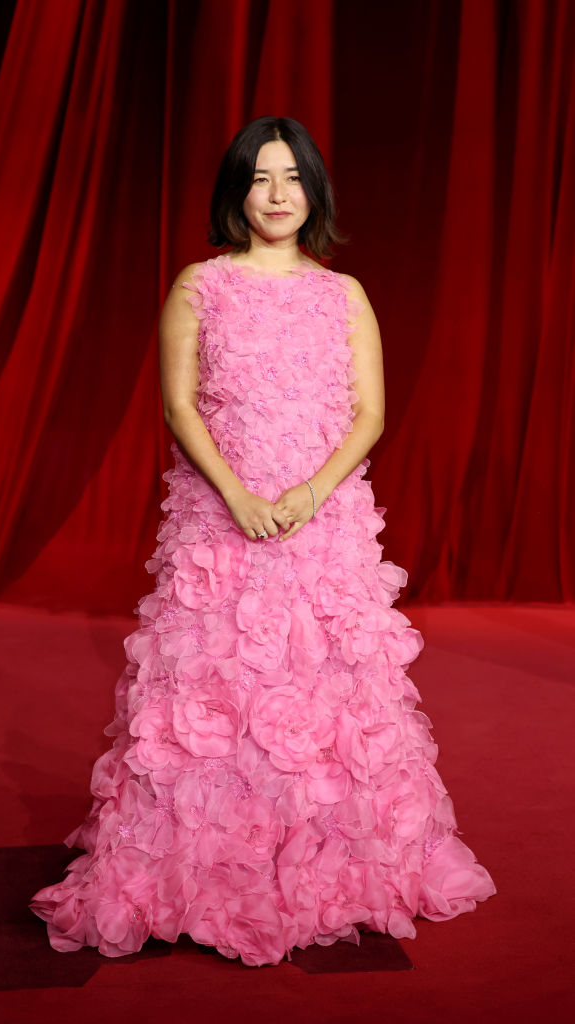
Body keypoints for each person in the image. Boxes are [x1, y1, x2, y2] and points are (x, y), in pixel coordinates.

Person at [30, 116, 496, 967]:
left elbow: (370, 413)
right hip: (223, 523)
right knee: (219, 691)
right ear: (235, 192)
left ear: (313, 191)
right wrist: (239, 495)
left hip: (325, 526)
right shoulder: (198, 287)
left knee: (326, 694)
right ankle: (206, 867)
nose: (277, 195)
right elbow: (179, 407)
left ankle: (338, 864)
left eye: (291, 178)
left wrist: (310, 494)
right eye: (259, 178)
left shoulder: (343, 293)